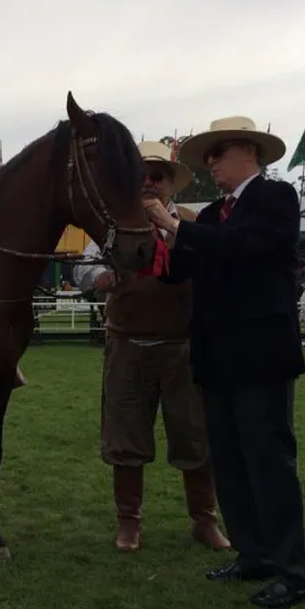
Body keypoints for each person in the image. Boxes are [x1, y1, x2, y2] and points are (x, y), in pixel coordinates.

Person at [146, 116, 305, 609]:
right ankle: (254, 554)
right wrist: (156, 232)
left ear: (249, 153)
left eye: (217, 153)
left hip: (260, 355)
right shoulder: (211, 213)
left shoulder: (276, 197)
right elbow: (178, 270)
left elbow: (248, 245)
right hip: (217, 356)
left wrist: (177, 226)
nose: (211, 164)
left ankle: (294, 572)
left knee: (269, 463)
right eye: (208, 156)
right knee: (230, 463)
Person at [72, 141, 229, 553]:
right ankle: (129, 522)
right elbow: (83, 266)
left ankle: (204, 520)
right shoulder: (113, 223)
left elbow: (216, 265)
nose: (147, 183)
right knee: (125, 439)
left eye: (156, 176)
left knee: (196, 438)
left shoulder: (192, 222)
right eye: (139, 176)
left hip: (184, 347)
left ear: (171, 184)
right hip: (127, 343)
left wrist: (171, 229)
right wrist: (99, 278)